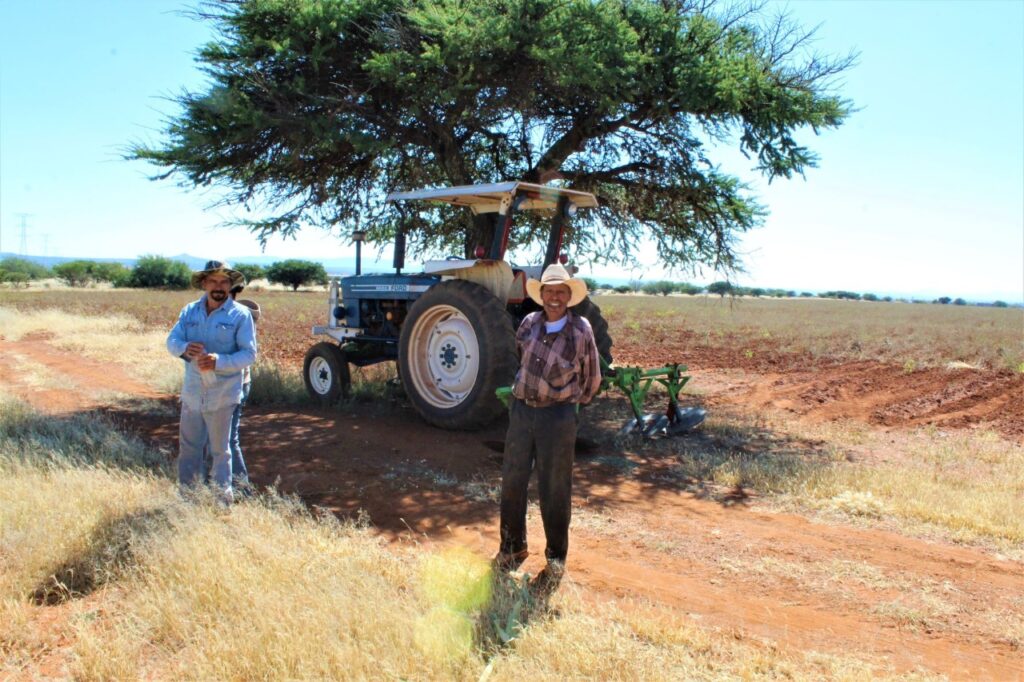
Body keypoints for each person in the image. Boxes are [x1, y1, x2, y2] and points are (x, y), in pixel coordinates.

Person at [494, 263, 602, 590]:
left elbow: (592, 377)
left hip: (558, 417)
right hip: (522, 413)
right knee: (512, 481)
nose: (554, 298)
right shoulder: (528, 323)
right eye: (549, 292)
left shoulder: (581, 329)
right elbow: (520, 358)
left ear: (569, 296)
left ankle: (555, 560)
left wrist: (567, 405)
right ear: (540, 295)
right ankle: (512, 548)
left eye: (560, 292)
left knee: (554, 490)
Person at [166, 260, 257, 505]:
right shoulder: (189, 312)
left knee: (221, 450)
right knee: (190, 448)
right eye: (214, 281)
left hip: (224, 393)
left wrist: (219, 360)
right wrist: (184, 347)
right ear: (204, 284)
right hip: (193, 391)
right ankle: (189, 497)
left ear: (230, 285)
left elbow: (249, 355)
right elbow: (171, 341)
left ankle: (222, 501)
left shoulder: (241, 315)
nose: (219, 286)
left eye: (224, 281)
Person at [202, 285, 261, 492]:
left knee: (224, 438)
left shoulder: (239, 316)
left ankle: (237, 488)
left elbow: (245, 355)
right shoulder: (236, 314)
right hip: (228, 384)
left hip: (233, 385)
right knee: (221, 437)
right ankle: (226, 484)